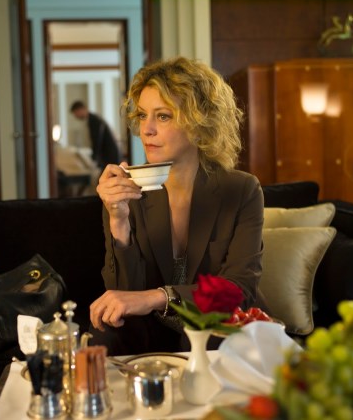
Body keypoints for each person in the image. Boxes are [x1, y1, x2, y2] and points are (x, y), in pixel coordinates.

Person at [88, 56, 266, 355]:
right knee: (103, 335)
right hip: (152, 330)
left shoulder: (241, 190)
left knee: (206, 335)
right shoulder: (125, 189)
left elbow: (239, 290)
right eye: (142, 115)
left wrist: (159, 297)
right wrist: (118, 220)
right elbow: (123, 295)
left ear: (199, 124)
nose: (146, 129)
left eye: (163, 116)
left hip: (217, 328)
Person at [70, 100, 121, 172]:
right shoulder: (93, 118)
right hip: (109, 155)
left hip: (109, 156)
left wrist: (94, 158)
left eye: (75, 113)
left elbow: (97, 140)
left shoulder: (93, 120)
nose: (75, 116)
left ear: (80, 109)